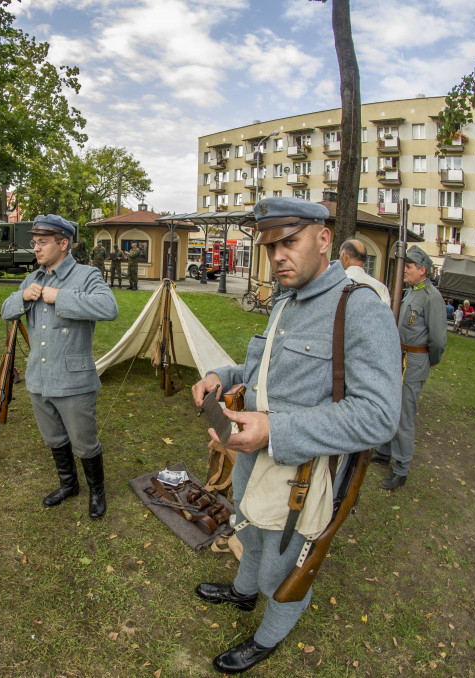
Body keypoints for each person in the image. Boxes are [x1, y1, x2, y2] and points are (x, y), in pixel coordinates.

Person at [190, 198, 401, 675]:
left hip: (302, 475)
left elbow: (380, 415)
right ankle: (243, 595)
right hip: (254, 458)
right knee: (247, 527)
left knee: (282, 568)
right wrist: (221, 376)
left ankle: (268, 636)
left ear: (323, 239)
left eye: (290, 242)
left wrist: (276, 429)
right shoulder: (286, 298)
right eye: (270, 246)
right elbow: (262, 368)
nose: (278, 256)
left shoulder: (359, 307)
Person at [1, 215, 118, 519]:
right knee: (54, 438)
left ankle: (96, 492)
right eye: (35, 242)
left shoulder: (86, 275)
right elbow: (5, 311)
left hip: (73, 379)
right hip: (40, 378)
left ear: (63, 243)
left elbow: (109, 308)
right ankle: (69, 485)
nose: (35, 248)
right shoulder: (33, 277)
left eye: (42, 242)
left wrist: (59, 296)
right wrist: (22, 296)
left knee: (84, 442)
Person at [374, 245, 447, 491]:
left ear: (423, 270)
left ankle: (401, 469)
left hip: (414, 362)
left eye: (409, 267)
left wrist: (431, 361)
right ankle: (384, 451)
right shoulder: (411, 292)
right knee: (392, 406)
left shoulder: (431, 297)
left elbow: (437, 338)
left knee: (404, 415)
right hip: (400, 357)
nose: (404, 270)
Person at [338, 238, 391, 307]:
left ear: (344, 256)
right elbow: (386, 316)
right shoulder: (381, 288)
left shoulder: (335, 282)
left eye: (340, 255)